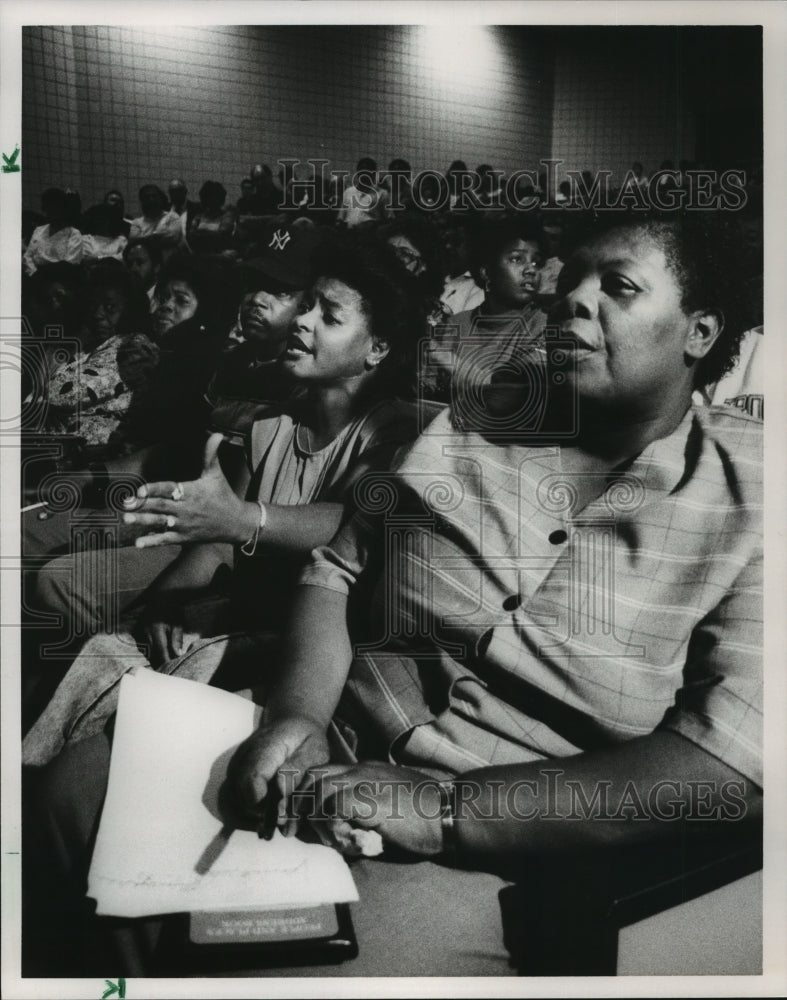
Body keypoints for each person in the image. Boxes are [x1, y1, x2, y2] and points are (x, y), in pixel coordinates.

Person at [23, 209, 761, 977]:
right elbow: (337, 570)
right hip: (337, 741)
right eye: (569, 278)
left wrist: (445, 811)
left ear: (699, 331)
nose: (572, 298)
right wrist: (298, 716)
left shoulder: (752, 495)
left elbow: (730, 768)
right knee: (76, 794)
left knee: (291, 967)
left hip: (511, 827)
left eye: (616, 286)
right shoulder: (480, 420)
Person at [22, 233, 426, 759]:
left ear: (378, 348)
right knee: (110, 661)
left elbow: (348, 525)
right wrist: (169, 602)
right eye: (305, 306)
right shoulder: (273, 427)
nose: (303, 321)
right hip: (244, 612)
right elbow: (214, 543)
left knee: (118, 733)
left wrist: (246, 519)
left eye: (329, 316)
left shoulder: (396, 432)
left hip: (316, 652)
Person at [423, 214, 547, 404]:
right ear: (486, 272)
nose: (531, 270)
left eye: (537, 262)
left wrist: (438, 353)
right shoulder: (457, 322)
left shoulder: (543, 326)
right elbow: (429, 388)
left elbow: (508, 396)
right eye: (516, 259)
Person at [43, 261, 157, 455]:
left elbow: (61, 393)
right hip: (60, 447)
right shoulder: (91, 345)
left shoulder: (135, 346)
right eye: (94, 305)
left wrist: (44, 402)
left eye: (110, 307)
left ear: (129, 310)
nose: (97, 314)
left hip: (92, 456)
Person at [23, 188, 83, 276]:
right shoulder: (39, 230)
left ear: (63, 210)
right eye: (48, 208)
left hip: (61, 277)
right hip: (35, 276)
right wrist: (34, 273)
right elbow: (28, 256)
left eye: (56, 208)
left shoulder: (73, 234)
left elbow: (71, 263)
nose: (51, 212)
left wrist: (44, 274)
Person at [128, 184, 184, 256]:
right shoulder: (136, 222)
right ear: (142, 201)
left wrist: (144, 239)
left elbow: (173, 238)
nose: (151, 200)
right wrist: (158, 237)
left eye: (154, 196)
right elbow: (133, 242)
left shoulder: (172, 216)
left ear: (160, 198)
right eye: (147, 197)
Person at [187, 180, 237, 255]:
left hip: (219, 257)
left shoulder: (227, 216)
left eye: (215, 197)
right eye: (209, 197)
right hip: (200, 255)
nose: (212, 201)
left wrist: (200, 234)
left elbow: (221, 237)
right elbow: (191, 236)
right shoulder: (199, 216)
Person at [122, 237, 162, 312]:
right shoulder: (127, 298)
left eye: (139, 262)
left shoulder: (163, 299)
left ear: (156, 267)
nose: (133, 269)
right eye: (129, 264)